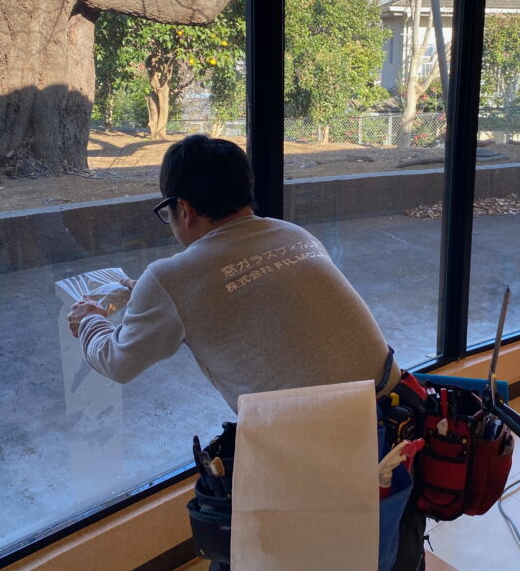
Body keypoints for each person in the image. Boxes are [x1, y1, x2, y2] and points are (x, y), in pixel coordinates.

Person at [67, 134, 425, 570]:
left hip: (317, 459)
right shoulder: (292, 234)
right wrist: (143, 293)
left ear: (184, 208)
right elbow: (241, 290)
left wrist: (89, 320)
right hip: (397, 429)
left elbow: (117, 361)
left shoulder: (169, 278)